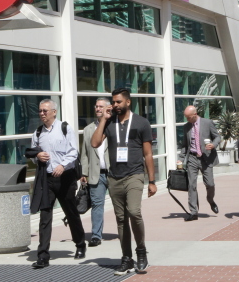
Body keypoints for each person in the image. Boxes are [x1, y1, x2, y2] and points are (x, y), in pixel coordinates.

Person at [91, 88, 156, 275]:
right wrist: (103, 118)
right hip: (114, 177)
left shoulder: (141, 123)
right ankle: (126, 258)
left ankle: (141, 251)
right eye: (113, 102)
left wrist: (151, 181)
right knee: (121, 219)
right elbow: (95, 143)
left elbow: (148, 154)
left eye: (118, 102)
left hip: (134, 175)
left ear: (128, 102)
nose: (115, 105)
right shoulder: (109, 123)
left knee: (134, 212)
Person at [30, 99, 85, 269]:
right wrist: (37, 156)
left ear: (54, 112)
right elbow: (33, 152)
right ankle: (43, 255)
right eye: (40, 111)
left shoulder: (65, 128)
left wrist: (63, 165)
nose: (42, 113)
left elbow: (73, 152)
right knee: (45, 216)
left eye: (45, 110)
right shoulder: (38, 133)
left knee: (71, 212)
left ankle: (80, 244)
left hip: (65, 178)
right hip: (46, 179)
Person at [181, 105, 221, 222]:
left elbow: (217, 137)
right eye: (186, 118)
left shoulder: (207, 123)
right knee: (191, 185)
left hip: (206, 158)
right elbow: (184, 145)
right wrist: (181, 158)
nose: (187, 120)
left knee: (210, 184)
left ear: (195, 114)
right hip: (192, 158)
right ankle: (193, 212)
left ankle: (210, 200)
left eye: (188, 117)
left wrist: (213, 144)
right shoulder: (186, 127)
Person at [80, 98, 110, 247]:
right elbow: (84, 154)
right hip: (95, 174)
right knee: (97, 205)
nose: (97, 109)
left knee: (121, 205)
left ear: (107, 109)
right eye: (96, 106)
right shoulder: (88, 129)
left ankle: (125, 232)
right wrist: (84, 173)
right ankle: (96, 236)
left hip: (114, 173)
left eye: (101, 107)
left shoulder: (114, 126)